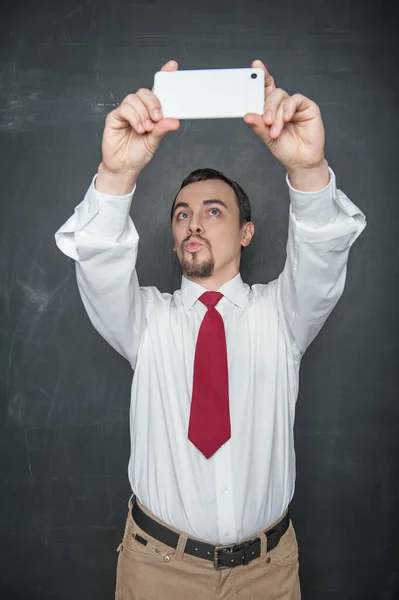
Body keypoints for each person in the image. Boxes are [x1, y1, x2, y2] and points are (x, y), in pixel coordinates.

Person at [55, 59, 366, 600]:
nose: (193, 223)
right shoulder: (146, 320)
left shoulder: (283, 315)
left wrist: (308, 171)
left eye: (213, 211)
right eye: (181, 214)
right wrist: (117, 176)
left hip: (267, 573)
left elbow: (322, 253)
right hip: (158, 571)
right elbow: (100, 264)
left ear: (247, 232)